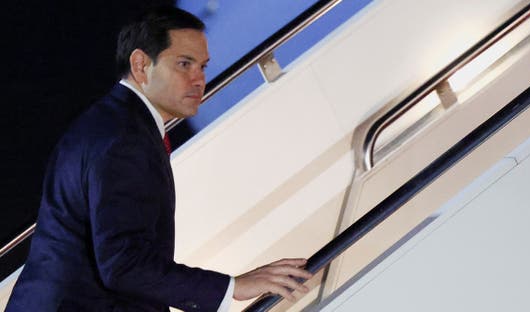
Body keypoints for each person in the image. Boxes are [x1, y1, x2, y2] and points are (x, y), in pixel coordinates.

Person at [6, 6, 312, 312]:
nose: (198, 80)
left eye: (203, 67)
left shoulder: (115, 122)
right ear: (140, 65)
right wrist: (234, 286)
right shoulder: (123, 138)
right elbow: (123, 263)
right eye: (184, 64)